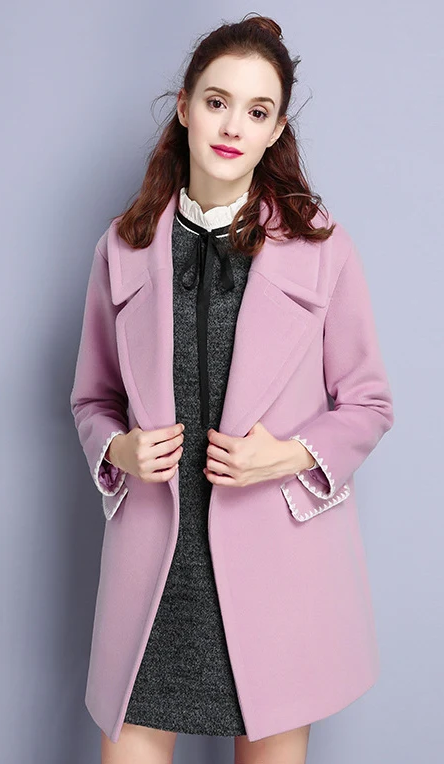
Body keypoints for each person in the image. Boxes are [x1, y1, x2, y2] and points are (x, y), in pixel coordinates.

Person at [70, 13, 395, 764]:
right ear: (184, 106)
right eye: (217, 102)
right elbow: (91, 400)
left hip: (275, 567)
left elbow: (369, 402)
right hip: (156, 571)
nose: (232, 126)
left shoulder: (321, 246)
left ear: (276, 130)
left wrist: (287, 456)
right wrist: (119, 449)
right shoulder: (124, 245)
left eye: (256, 111)